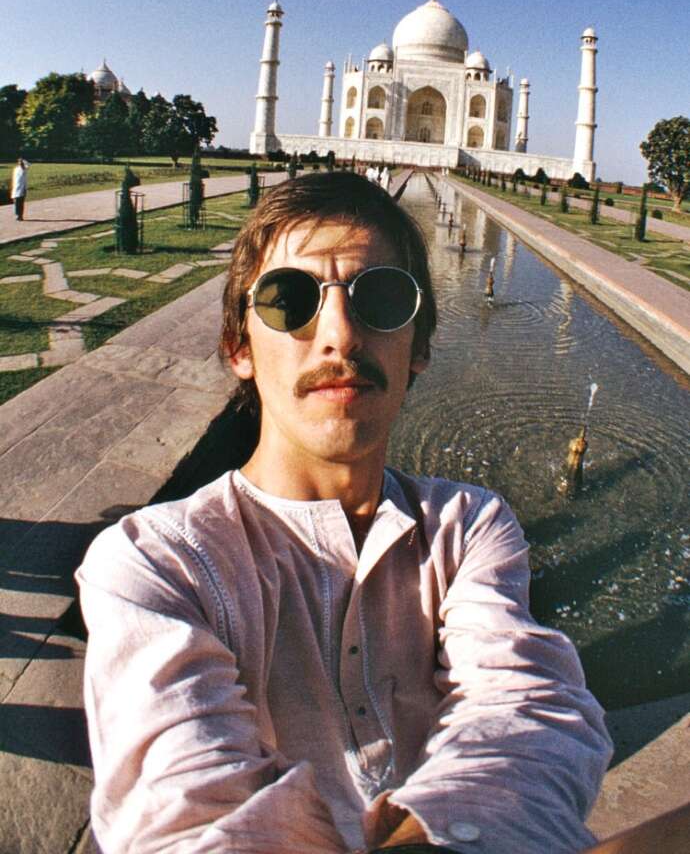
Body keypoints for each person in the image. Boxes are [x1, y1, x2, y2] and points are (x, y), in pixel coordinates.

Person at [77, 172, 612, 854]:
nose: (339, 335)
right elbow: (186, 802)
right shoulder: (159, 562)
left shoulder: (466, 527)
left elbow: (526, 707)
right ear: (239, 347)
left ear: (418, 347)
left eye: (382, 298)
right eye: (289, 300)